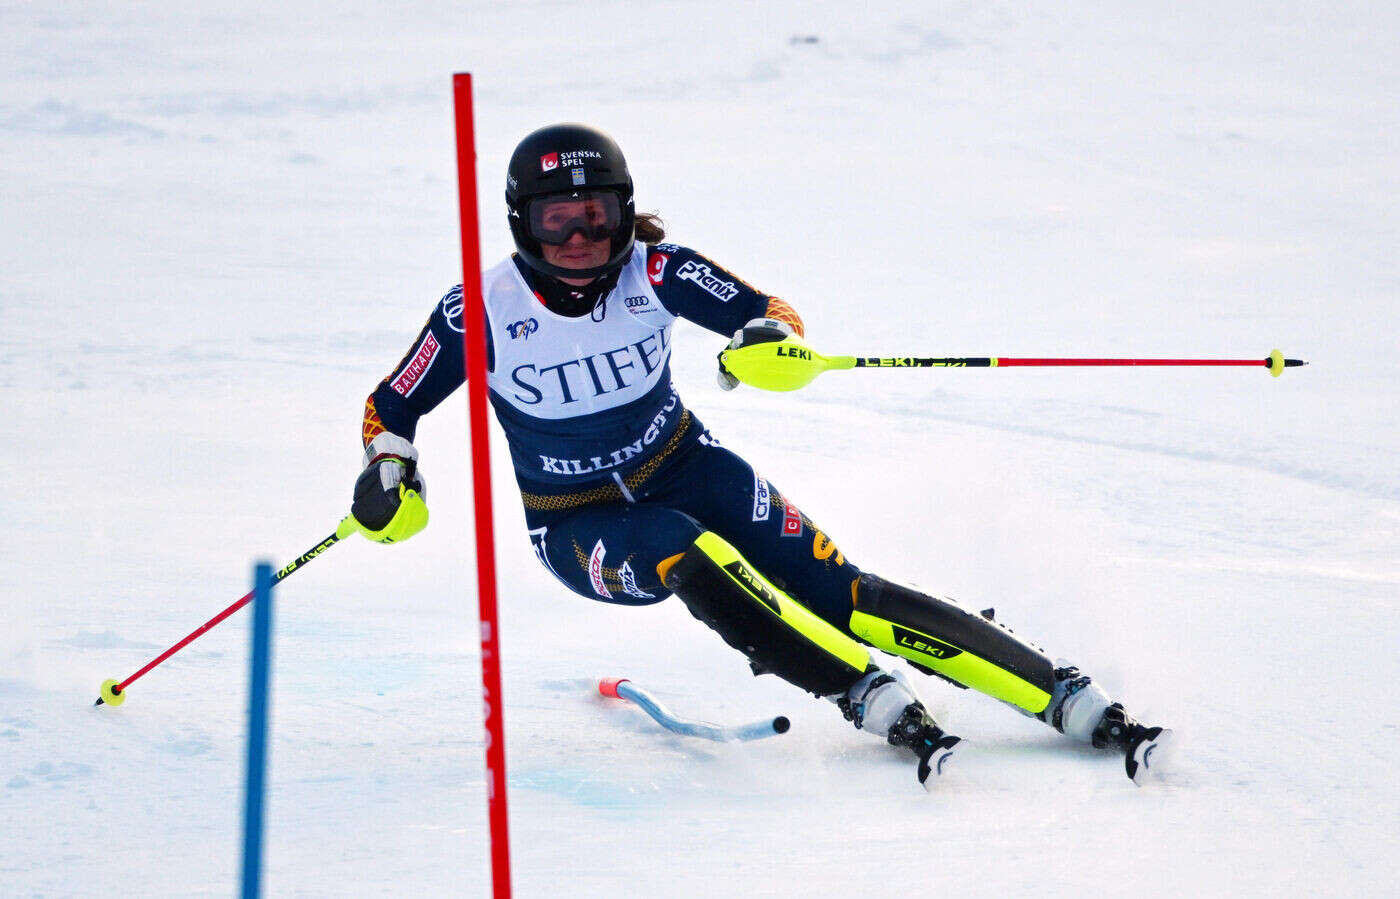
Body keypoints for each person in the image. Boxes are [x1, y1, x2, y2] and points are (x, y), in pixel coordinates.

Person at [348, 123, 1170, 787]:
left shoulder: (656, 268)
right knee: (682, 544)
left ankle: (1065, 694)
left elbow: (766, 310)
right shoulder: (476, 312)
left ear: (624, 211)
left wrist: (767, 341)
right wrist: (390, 471)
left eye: (596, 213)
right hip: (575, 521)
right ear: (520, 221)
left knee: (846, 591)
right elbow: (392, 405)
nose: (578, 236)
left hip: (683, 459)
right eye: (555, 219)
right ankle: (862, 690)